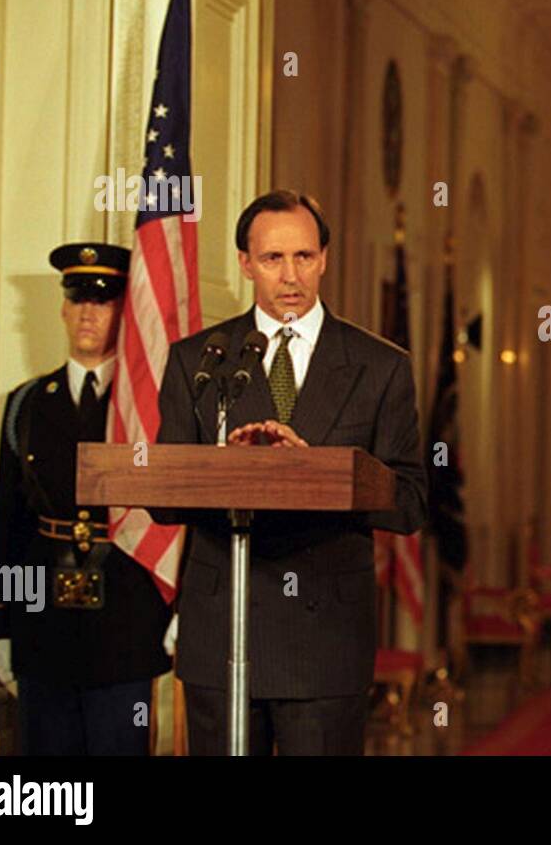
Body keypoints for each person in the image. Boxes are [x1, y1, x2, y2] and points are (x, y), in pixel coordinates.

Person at [156, 190, 427, 755]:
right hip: (222, 629)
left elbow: (410, 501)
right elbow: (163, 494)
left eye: (303, 257)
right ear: (245, 264)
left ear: (324, 258)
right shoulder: (198, 360)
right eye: (273, 259)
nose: (290, 275)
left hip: (323, 639)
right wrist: (227, 470)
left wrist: (315, 473)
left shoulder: (381, 366)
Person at [0, 242, 172, 754]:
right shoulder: (26, 403)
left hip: (127, 624)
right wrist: (1, 625)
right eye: (79, 298)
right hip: (43, 624)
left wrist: (181, 606)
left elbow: (177, 515)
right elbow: (8, 523)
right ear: (63, 308)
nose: (89, 312)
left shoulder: (148, 409)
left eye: (105, 300)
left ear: (124, 311)